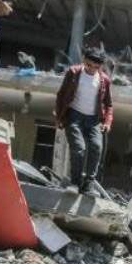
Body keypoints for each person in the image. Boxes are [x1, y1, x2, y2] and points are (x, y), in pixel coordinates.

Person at [54, 47, 114, 194]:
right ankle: (75, 183)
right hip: (74, 116)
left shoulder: (104, 80)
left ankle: (88, 184)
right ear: (83, 60)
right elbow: (61, 95)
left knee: (96, 147)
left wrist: (107, 122)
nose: (91, 69)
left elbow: (109, 104)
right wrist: (59, 117)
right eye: (89, 65)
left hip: (94, 120)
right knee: (79, 148)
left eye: (96, 67)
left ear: (100, 66)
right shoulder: (73, 72)